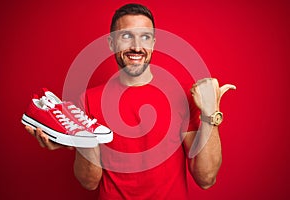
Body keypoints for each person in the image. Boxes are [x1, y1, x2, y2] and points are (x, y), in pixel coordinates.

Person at [25, 3, 236, 199]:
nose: (137, 47)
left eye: (145, 37)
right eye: (126, 36)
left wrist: (210, 116)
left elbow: (206, 179)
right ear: (111, 43)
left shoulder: (181, 95)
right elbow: (89, 182)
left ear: (153, 43)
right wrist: (80, 140)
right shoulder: (88, 100)